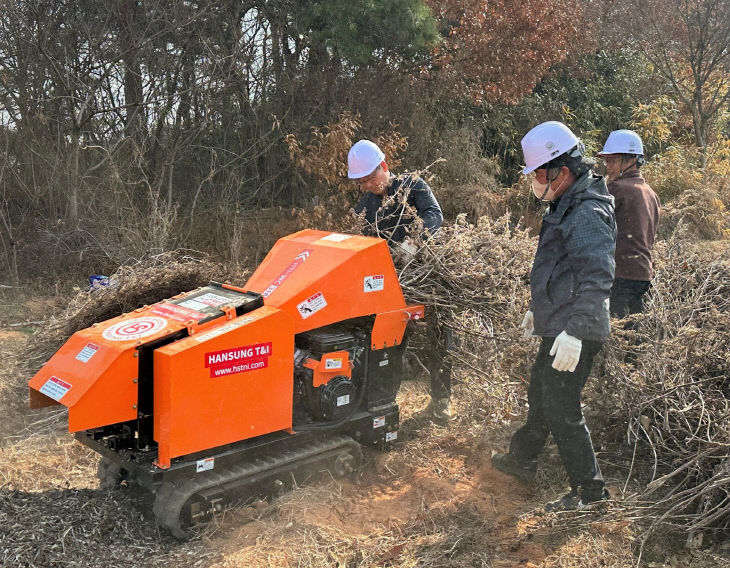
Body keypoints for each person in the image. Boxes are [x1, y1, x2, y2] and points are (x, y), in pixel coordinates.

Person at [490, 122, 616, 511]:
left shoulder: (587, 211)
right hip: (559, 322)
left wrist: (575, 333)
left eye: (539, 175)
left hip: (577, 329)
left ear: (562, 171)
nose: (534, 183)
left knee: (563, 409)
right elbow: (560, 269)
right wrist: (538, 308)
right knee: (540, 393)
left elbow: (597, 277)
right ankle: (522, 458)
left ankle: (591, 494)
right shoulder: (565, 202)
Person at [347, 140, 453, 423]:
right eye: (363, 181)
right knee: (389, 341)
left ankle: (441, 401)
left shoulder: (412, 186)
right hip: (394, 283)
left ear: (384, 166)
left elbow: (434, 214)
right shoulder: (366, 205)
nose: (369, 185)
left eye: (372, 177)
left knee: (439, 338)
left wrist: (415, 242)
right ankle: (384, 402)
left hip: (428, 274)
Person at [597, 130, 660, 317]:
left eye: (613, 160)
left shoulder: (616, 189)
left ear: (631, 160)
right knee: (634, 337)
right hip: (643, 275)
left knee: (615, 334)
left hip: (620, 276)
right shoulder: (651, 193)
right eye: (606, 161)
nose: (608, 166)